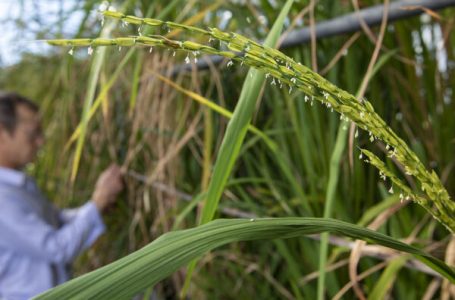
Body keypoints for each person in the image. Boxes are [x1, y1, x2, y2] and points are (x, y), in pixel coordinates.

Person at [0, 92, 124, 299]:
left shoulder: (19, 185)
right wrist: (96, 203)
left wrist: (97, 206)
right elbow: (56, 248)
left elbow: (56, 219)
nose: (40, 141)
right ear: (2, 134)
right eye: (32, 134)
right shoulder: (2, 200)